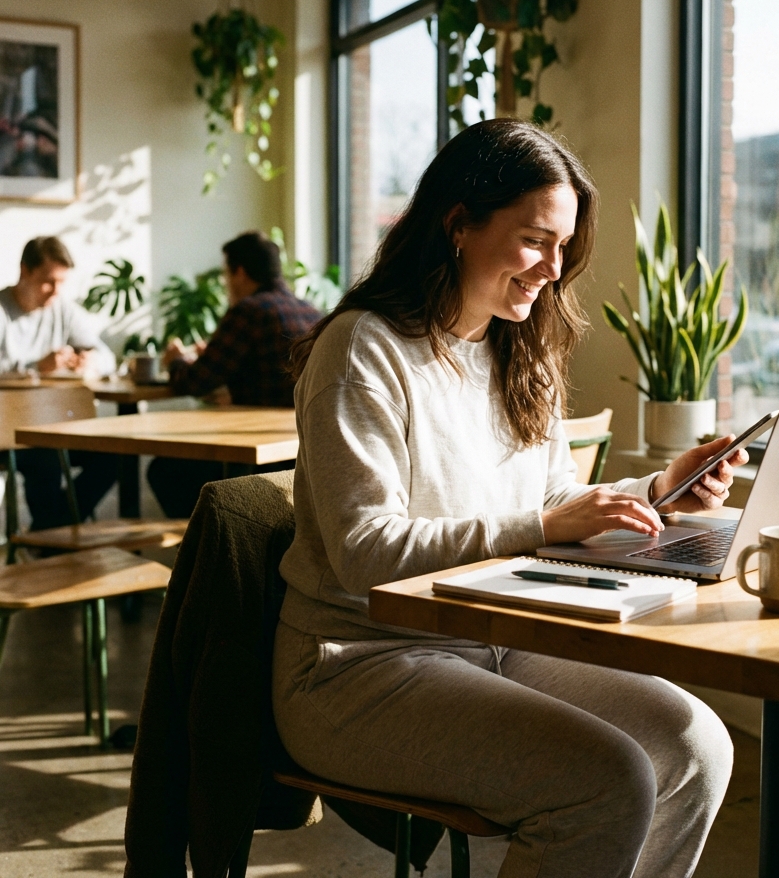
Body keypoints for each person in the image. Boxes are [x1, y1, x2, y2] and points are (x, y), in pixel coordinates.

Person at [273, 120, 747, 878]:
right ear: (458, 224)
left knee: (696, 746)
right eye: (534, 241)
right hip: (356, 662)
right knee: (608, 781)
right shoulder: (363, 348)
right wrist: (542, 524)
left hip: (491, 639)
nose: (552, 270)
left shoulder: (513, 347)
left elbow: (554, 496)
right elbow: (366, 551)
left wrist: (659, 492)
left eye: (562, 248)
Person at [146, 231, 321, 519]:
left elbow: (196, 381)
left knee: (164, 471)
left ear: (239, 272)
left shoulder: (250, 310)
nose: (227, 284)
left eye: (226, 274)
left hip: (254, 459)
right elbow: (268, 374)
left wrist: (176, 361)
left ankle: (216, 552)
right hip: (299, 454)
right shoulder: (311, 312)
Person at [1, 236, 118, 529]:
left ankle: (50, 534)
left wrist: (88, 361)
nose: (55, 291)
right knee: (48, 459)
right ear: (24, 271)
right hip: (9, 429)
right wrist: (35, 367)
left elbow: (106, 355)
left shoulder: (62, 309)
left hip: (53, 425)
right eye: (47, 281)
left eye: (61, 283)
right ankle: (55, 537)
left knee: (115, 456)